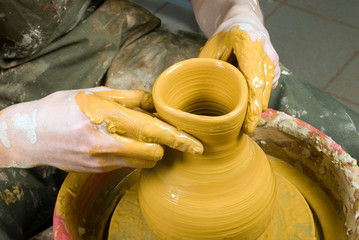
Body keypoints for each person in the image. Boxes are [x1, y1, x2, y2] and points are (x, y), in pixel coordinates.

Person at [1, 0, 358, 238]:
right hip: (8, 102)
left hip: (106, 35)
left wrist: (238, 14)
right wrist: (19, 134)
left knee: (339, 132)